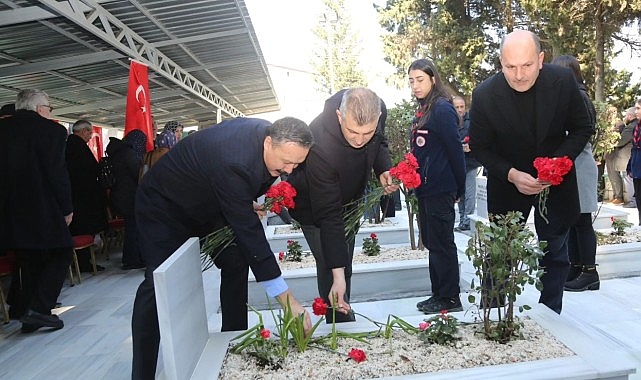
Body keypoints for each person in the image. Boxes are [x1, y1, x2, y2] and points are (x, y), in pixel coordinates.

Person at [131, 117, 313, 379]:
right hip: (165, 206)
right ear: (268, 141)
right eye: (285, 162)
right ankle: (142, 374)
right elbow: (249, 232)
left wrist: (240, 200)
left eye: (297, 163)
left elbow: (232, 186)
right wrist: (287, 300)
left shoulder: (268, 141)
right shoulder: (235, 159)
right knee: (157, 286)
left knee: (236, 260)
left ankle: (234, 340)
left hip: (209, 204)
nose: (289, 170)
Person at [469, 30, 593, 314]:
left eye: (526, 65)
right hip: (507, 183)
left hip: (555, 183)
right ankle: (493, 312)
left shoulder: (562, 82)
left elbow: (582, 128)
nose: (519, 75)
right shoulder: (485, 94)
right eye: (510, 66)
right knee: (500, 253)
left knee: (555, 253)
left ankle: (549, 315)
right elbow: (480, 147)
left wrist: (556, 164)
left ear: (540, 59)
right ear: (501, 62)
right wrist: (512, 174)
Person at [287, 88, 397, 323]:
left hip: (350, 200)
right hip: (314, 206)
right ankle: (340, 322)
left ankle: (342, 308)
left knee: (343, 259)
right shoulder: (319, 142)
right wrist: (338, 274)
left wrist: (383, 169)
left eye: (366, 132)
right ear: (339, 116)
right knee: (330, 264)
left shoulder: (379, 110)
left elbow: (379, 142)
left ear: (377, 116)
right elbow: (329, 215)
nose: (359, 140)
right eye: (352, 132)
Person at [0, 89, 73, 332]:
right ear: (40, 108)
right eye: (50, 108)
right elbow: (57, 174)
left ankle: (25, 312)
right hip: (43, 207)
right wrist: (66, 208)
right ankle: (40, 309)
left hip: (10, 210)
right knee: (61, 251)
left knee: (28, 259)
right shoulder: (52, 131)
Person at [407, 60, 466, 314]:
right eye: (411, 80)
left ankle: (450, 297)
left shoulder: (442, 109)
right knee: (432, 242)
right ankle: (437, 293)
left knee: (442, 242)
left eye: (420, 79)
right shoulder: (425, 108)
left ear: (433, 79)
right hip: (426, 188)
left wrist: (459, 188)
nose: (415, 85)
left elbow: (455, 152)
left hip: (440, 187)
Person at [550, 55, 600, 292]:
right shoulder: (567, 96)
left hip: (580, 164)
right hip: (571, 165)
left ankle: (589, 271)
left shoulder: (578, 96)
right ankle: (576, 266)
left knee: (582, 221)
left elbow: (583, 133)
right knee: (572, 218)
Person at [66, 119, 108, 272]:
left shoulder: (71, 146)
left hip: (78, 197)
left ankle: (83, 262)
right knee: (83, 229)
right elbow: (87, 172)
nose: (90, 136)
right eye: (89, 132)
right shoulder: (77, 148)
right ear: (83, 131)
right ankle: (84, 263)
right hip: (83, 199)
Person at [106, 129, 147, 270]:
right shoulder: (128, 153)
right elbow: (137, 173)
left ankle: (131, 258)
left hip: (120, 196)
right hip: (130, 196)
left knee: (131, 227)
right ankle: (133, 259)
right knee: (134, 228)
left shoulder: (117, 152)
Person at [453, 95, 482, 232]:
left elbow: (479, 137)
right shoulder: (450, 121)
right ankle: (462, 219)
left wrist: (471, 145)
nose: (460, 110)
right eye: (457, 107)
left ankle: (466, 220)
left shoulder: (472, 121)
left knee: (469, 192)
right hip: (457, 162)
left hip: (470, 162)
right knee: (461, 193)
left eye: (461, 107)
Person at [606, 107, 637, 206]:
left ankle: (632, 201)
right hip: (630, 156)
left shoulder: (631, 127)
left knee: (628, 179)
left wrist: (612, 139)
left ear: (630, 116)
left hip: (627, 156)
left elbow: (620, 141)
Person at [628, 99, 641, 225]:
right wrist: (630, 166)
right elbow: (634, 148)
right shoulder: (636, 127)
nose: (636, 111)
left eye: (638, 108)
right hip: (637, 168)